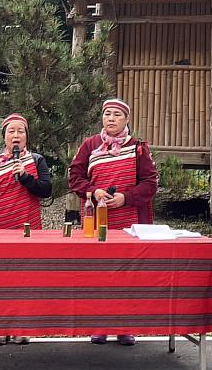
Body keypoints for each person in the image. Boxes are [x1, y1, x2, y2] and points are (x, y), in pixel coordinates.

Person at [69, 98, 158, 347]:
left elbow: (150, 183)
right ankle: (99, 325)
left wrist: (125, 198)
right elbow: (74, 177)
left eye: (117, 115)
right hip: (96, 220)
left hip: (129, 219)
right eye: (107, 114)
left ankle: (126, 326)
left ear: (127, 120)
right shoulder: (90, 146)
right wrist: (93, 191)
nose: (111, 119)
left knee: (128, 273)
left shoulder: (138, 148)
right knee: (99, 272)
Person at [0, 113, 52, 345]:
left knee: (24, 277)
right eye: (11, 131)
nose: (16, 136)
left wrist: (25, 177)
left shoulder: (36, 160)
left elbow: (45, 190)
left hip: (27, 226)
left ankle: (21, 327)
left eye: (20, 131)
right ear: (4, 136)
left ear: (27, 136)